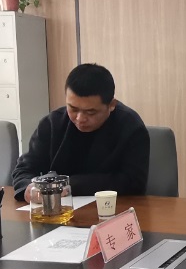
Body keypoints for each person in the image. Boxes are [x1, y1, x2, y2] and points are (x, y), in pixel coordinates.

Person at [12, 63, 149, 201]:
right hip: (58, 208)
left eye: (91, 112)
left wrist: (68, 185)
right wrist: (28, 189)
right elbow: (24, 169)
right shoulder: (52, 124)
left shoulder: (131, 127)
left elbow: (133, 182)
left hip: (112, 207)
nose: (80, 118)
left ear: (112, 105)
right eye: (73, 109)